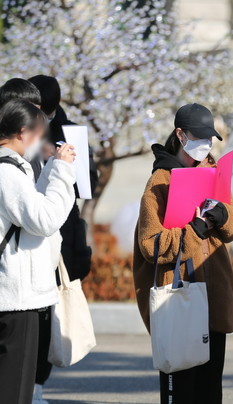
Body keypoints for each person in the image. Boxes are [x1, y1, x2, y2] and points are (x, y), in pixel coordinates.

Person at [133, 103, 233, 404]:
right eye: (200, 137)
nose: (205, 145)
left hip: (213, 298)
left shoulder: (212, 172)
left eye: (210, 139)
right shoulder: (159, 183)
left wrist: (224, 215)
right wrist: (192, 231)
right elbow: (150, 244)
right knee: (180, 391)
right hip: (178, 299)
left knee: (210, 391)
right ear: (180, 135)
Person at [0, 99, 76, 404]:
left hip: (13, 295)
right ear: (23, 132)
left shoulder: (11, 171)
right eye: (39, 134)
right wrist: (63, 173)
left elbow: (31, 207)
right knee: (14, 389)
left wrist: (54, 168)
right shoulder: (7, 173)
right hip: (15, 299)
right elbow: (44, 219)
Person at [28, 74, 98, 403]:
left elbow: (89, 183)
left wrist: (61, 162)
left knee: (48, 318)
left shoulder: (70, 134)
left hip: (61, 237)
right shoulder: (16, 129)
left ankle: (38, 385)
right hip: (25, 233)